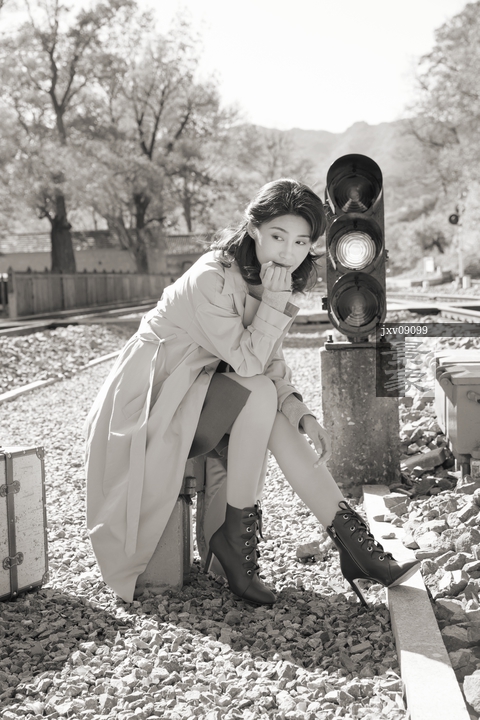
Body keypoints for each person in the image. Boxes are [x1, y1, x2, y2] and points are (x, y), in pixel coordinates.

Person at [85, 178, 419, 606]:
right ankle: (265, 541)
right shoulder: (211, 278)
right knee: (258, 392)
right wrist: (276, 300)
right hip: (156, 398)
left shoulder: (274, 279)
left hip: (202, 392)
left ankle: (352, 544)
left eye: (301, 242)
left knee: (271, 407)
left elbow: (268, 359)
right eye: (278, 236)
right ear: (253, 227)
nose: (288, 252)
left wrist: (301, 414)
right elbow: (248, 363)